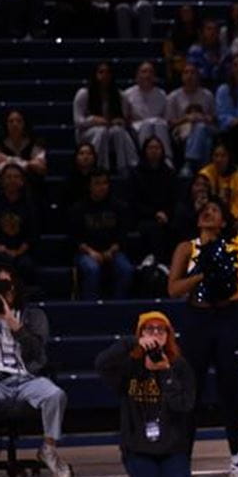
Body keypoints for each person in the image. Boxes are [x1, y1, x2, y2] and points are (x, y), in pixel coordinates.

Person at [166, 198, 238, 477]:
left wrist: (226, 281)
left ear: (223, 222)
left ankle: (237, 454)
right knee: (191, 390)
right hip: (197, 320)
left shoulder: (233, 249)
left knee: (229, 388)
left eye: (215, 210)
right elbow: (173, 288)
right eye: (204, 209)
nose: (207, 212)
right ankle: (184, 456)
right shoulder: (187, 247)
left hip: (226, 319)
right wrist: (202, 274)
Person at [0, 265, 71, 477]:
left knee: (55, 395)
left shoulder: (33, 315)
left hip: (26, 379)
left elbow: (36, 352)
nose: (3, 293)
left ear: (17, 289)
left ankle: (48, 451)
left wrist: (13, 322)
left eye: (7, 287)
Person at [95, 311, 196, 477]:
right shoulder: (129, 365)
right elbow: (101, 363)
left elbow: (184, 405)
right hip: (137, 446)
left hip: (171, 446)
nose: (156, 333)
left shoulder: (179, 366)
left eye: (161, 329)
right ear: (141, 334)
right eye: (149, 329)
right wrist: (131, 343)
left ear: (168, 335)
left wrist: (165, 373)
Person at [71, 169, 133, 299]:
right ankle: (90, 307)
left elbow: (122, 234)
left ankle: (119, 306)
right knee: (92, 269)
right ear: (90, 186)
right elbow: (75, 237)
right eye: (97, 183)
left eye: (105, 183)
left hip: (113, 251)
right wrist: (91, 252)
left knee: (126, 269)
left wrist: (111, 251)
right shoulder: (79, 208)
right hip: (86, 252)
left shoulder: (118, 206)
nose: (102, 187)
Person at [73, 62, 138, 173]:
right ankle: (100, 167)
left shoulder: (120, 95)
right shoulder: (84, 94)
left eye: (108, 72)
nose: (105, 76)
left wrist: (119, 121)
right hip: (88, 132)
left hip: (111, 130)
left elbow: (125, 119)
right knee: (101, 131)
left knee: (119, 131)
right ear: (95, 74)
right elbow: (78, 121)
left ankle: (124, 167)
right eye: (101, 72)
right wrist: (93, 120)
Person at [0, 165, 39, 283]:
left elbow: (33, 235)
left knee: (26, 265)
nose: (12, 180)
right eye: (9, 177)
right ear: (2, 180)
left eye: (16, 177)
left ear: (22, 181)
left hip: (20, 252)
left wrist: (17, 252)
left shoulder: (30, 205)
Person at [129, 137, 180, 266]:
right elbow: (134, 202)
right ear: (144, 150)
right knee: (154, 229)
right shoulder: (136, 174)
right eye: (151, 148)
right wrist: (155, 214)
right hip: (143, 217)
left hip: (166, 216)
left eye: (157, 148)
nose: (154, 151)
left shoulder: (169, 173)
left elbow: (174, 199)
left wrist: (166, 213)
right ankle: (156, 264)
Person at [166, 61, 217, 175]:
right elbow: (170, 122)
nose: (189, 76)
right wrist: (187, 118)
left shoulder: (207, 95)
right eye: (186, 73)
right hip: (183, 129)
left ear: (198, 76)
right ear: (182, 76)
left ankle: (189, 162)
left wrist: (202, 118)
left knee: (201, 128)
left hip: (205, 127)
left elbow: (214, 118)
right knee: (206, 141)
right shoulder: (173, 96)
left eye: (193, 73)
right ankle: (204, 169)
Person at [0, 109, 48, 203]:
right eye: (11, 121)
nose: (15, 124)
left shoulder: (35, 141)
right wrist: (27, 163)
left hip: (30, 180)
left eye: (19, 121)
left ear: (24, 123)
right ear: (6, 124)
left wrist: (8, 159)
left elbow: (40, 168)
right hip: (5, 181)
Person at [123, 61, 172, 160]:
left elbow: (166, 118)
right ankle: (144, 158)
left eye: (150, 72)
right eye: (144, 72)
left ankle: (166, 158)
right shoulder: (127, 94)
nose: (147, 75)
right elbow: (125, 117)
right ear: (137, 75)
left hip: (158, 127)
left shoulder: (161, 94)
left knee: (160, 125)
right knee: (146, 126)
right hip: (137, 128)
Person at [197, 142, 238, 218]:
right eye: (216, 155)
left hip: (231, 218)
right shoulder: (204, 174)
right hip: (208, 216)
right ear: (212, 157)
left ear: (229, 157)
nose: (219, 159)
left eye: (223, 156)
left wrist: (228, 219)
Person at [186, 18, 227, 86]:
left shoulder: (225, 51)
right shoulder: (194, 51)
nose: (212, 32)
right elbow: (192, 72)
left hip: (221, 85)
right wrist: (209, 64)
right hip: (199, 86)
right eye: (209, 29)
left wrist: (218, 65)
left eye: (215, 29)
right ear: (203, 32)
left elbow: (228, 73)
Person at [163, 3, 199, 81]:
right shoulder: (173, 30)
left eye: (188, 12)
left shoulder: (199, 30)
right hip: (179, 60)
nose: (186, 14)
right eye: (184, 12)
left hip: (195, 60)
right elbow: (168, 50)